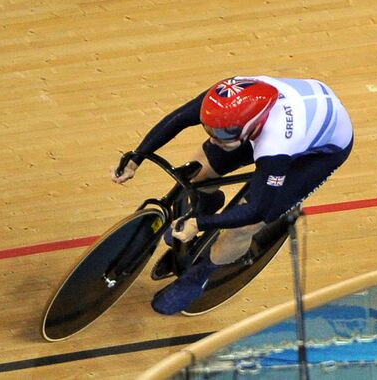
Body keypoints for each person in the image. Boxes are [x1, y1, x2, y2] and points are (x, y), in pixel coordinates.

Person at [113, 76, 354, 315]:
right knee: (196, 172)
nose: (212, 137)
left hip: (319, 154)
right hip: (285, 117)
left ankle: (199, 276)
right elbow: (178, 119)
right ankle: (208, 201)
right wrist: (137, 156)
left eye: (221, 132)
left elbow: (257, 209)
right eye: (209, 128)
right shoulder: (226, 97)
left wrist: (199, 224)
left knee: (243, 228)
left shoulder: (275, 145)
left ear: (249, 127)